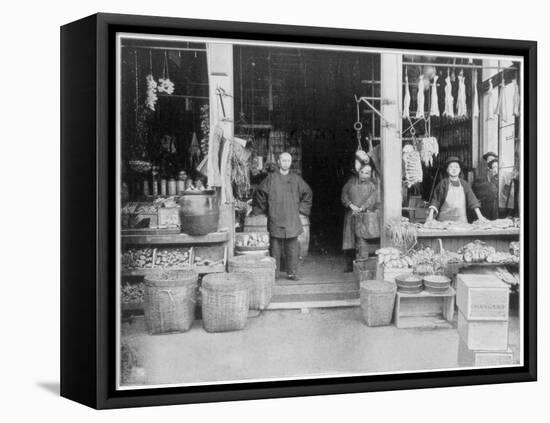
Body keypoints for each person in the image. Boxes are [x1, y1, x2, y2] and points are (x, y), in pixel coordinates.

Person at [252, 152, 313, 280]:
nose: (286, 163)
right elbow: (260, 192)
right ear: (278, 162)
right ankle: (274, 273)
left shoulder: (296, 179)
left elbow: (307, 193)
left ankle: (292, 273)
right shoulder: (270, 179)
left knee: (292, 247)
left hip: (291, 217)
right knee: (275, 248)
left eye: (288, 161)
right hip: (276, 216)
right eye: (283, 160)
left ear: (291, 163)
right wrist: (263, 210)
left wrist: (301, 210)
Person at [341, 162, 380, 271]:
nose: (363, 175)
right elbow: (344, 195)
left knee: (362, 239)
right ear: (358, 172)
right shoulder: (350, 182)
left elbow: (372, 199)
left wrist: (362, 208)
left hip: (364, 216)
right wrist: (350, 205)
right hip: (351, 215)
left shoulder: (372, 185)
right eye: (362, 172)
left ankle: (361, 265)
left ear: (370, 174)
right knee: (349, 240)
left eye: (367, 173)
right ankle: (349, 265)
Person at [427, 156, 487, 223]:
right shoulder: (442, 184)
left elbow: (473, 201)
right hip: (443, 221)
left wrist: (480, 216)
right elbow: (436, 201)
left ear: (460, 170)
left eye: (456, 167)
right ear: (447, 170)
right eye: (451, 167)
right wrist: (430, 217)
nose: (454, 169)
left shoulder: (465, 184)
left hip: (461, 222)